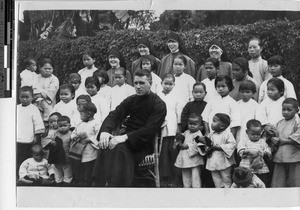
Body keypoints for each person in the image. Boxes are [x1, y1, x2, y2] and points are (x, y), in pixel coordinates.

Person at [93, 69, 167, 187]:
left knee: (119, 149)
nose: (138, 86)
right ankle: (100, 185)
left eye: (142, 83)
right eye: (136, 83)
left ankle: (117, 186)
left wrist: (124, 137)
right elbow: (115, 114)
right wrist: (105, 132)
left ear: (151, 83)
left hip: (143, 143)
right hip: (126, 138)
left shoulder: (158, 104)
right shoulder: (132, 99)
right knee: (105, 145)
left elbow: (150, 130)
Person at [157, 73, 183, 187]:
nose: (168, 86)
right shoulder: (157, 95)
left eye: (170, 84)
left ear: (174, 85)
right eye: (165, 84)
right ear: (161, 83)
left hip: (173, 128)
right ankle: (164, 177)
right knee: (162, 154)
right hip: (161, 128)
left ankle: (175, 178)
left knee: (173, 152)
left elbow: (179, 114)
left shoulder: (177, 97)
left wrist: (178, 129)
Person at [271, 98, 300, 187]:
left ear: (296, 110)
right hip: (280, 155)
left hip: (294, 155)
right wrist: (273, 139)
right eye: (284, 109)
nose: (286, 112)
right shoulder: (279, 123)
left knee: (295, 181)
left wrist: (285, 141)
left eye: (289, 110)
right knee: (279, 181)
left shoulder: (297, 122)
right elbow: (274, 135)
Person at [17, 86, 45, 176]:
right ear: (19, 97)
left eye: (27, 97)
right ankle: (19, 175)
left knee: (28, 159)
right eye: (22, 97)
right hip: (17, 140)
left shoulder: (34, 109)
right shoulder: (16, 108)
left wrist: (36, 141)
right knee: (18, 159)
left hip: (28, 140)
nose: (24, 99)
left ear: (32, 97)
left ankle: (30, 175)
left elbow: (38, 125)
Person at [71, 102, 101, 186]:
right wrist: (74, 137)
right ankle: (80, 182)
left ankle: (89, 183)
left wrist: (89, 139)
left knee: (89, 170)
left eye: (81, 114)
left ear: (88, 114)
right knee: (79, 169)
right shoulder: (80, 124)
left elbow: (98, 137)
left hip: (90, 151)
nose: (80, 116)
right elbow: (74, 133)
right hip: (79, 151)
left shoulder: (97, 124)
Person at [174, 113, 206, 188]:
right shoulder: (186, 132)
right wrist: (179, 141)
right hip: (185, 159)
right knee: (186, 176)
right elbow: (179, 140)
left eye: (195, 124)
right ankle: (187, 188)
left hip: (194, 160)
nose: (192, 126)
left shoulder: (198, 135)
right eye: (190, 123)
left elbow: (200, 146)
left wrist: (187, 146)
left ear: (200, 126)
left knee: (195, 177)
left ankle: (196, 190)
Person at [205, 113, 236, 188]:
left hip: (224, 161)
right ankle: (219, 193)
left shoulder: (228, 134)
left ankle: (227, 192)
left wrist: (220, 147)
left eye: (214, 121)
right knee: (216, 179)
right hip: (213, 160)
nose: (211, 123)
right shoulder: (210, 135)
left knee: (226, 178)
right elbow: (206, 144)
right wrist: (207, 148)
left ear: (222, 126)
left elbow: (232, 144)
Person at [238, 119, 271, 186]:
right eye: (253, 134)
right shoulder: (244, 141)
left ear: (261, 132)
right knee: (248, 184)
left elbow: (268, 151)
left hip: (260, 169)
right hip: (246, 168)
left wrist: (262, 153)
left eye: (258, 134)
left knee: (261, 183)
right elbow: (240, 150)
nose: (255, 136)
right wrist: (246, 152)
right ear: (247, 132)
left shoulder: (262, 142)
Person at [42, 116, 73, 185]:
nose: (62, 128)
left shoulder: (71, 134)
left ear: (69, 125)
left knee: (67, 170)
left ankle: (67, 182)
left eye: (65, 125)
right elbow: (46, 140)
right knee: (57, 169)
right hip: (56, 157)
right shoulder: (55, 133)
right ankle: (58, 181)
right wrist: (51, 142)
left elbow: (74, 144)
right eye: (60, 126)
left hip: (66, 157)